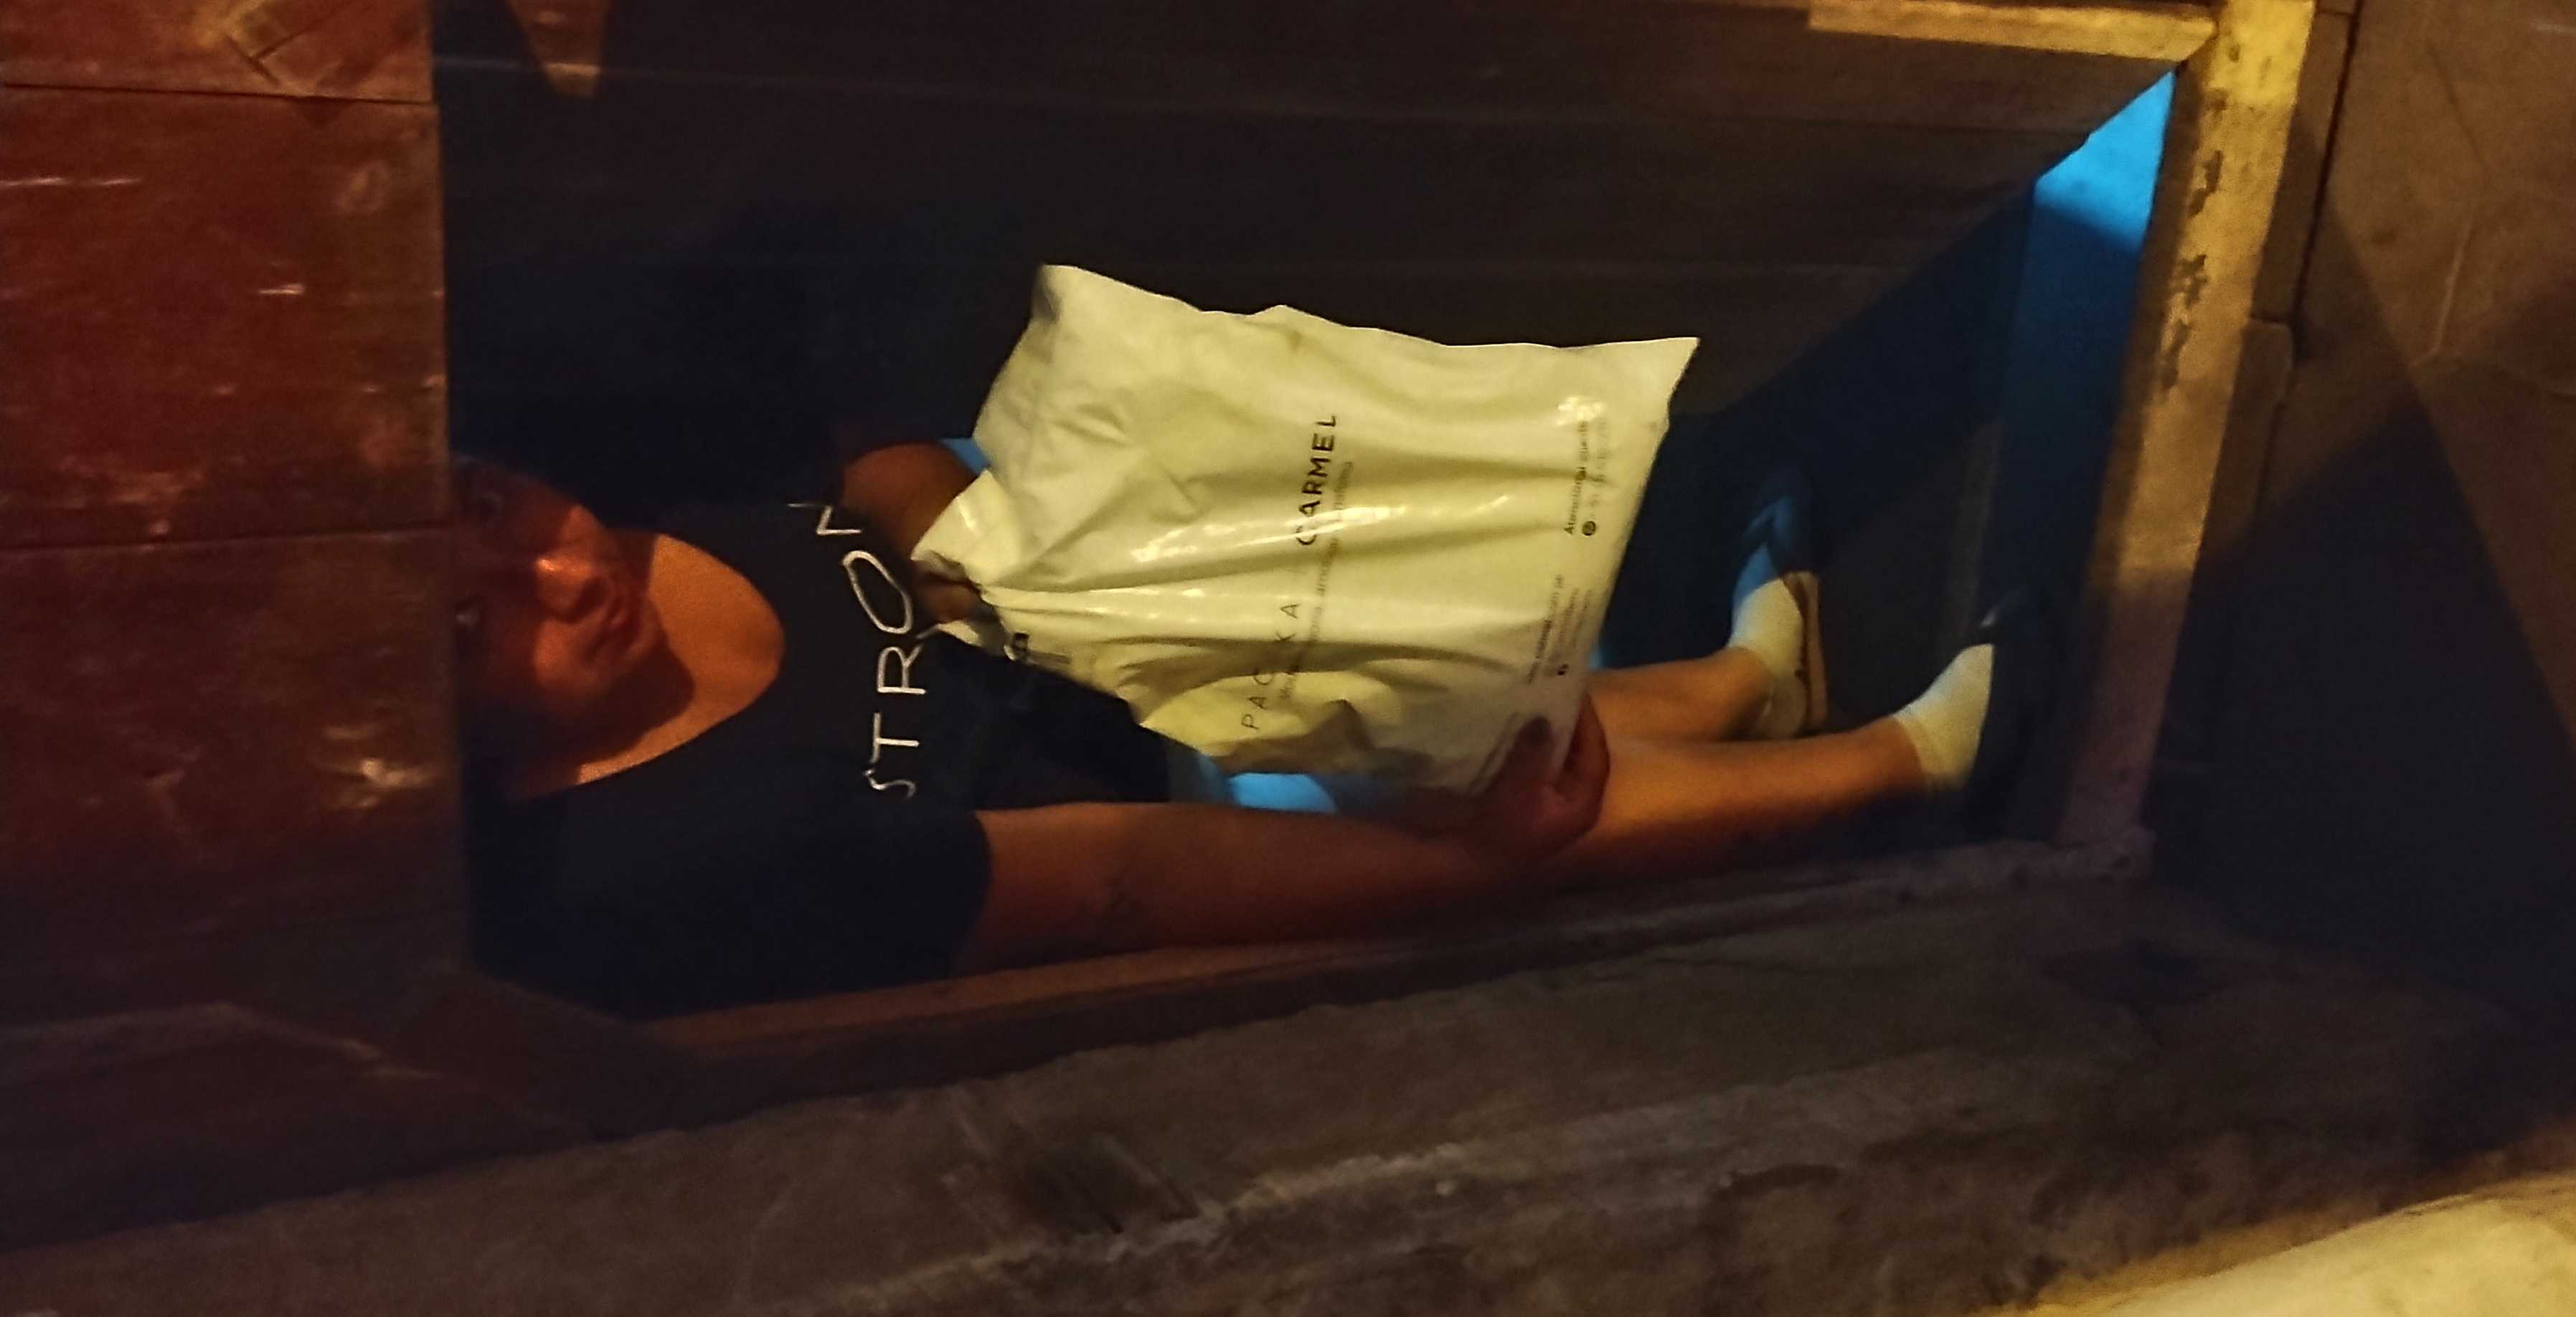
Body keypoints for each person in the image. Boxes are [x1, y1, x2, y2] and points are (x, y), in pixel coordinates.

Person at [456, 441, 2015, 1017]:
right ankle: (1896, 769)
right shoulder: (631, 871)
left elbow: (871, 461)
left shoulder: (636, 504)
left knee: (1351, 676)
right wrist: (1470, 865)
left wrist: (976, 546)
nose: (570, 571)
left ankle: (1742, 691)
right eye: (473, 623)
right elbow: (1117, 882)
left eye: (497, 502)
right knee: (1409, 777)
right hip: (1169, 839)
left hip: (1138, 652)